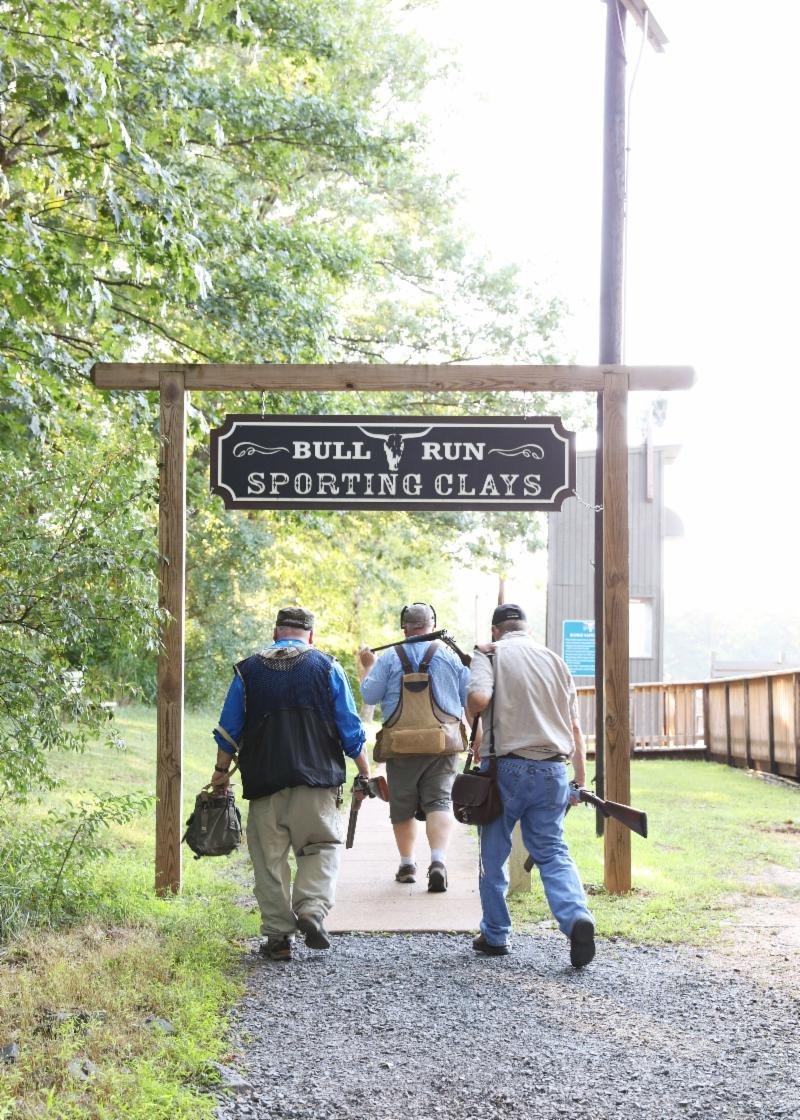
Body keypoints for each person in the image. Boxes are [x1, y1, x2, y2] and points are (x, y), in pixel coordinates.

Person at [210, 606, 369, 962]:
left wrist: (220, 774)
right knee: (321, 847)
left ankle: (279, 937)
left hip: (264, 783)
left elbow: (228, 729)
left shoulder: (247, 671)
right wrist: (364, 769)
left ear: (275, 633)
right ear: (310, 637)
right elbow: (350, 728)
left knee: (269, 860)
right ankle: (311, 909)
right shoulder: (327, 667)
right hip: (318, 783)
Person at [466, 603, 596, 967]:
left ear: (496, 631)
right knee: (553, 850)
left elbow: (478, 699)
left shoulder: (489, 653)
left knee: (493, 852)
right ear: (526, 628)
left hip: (505, 769)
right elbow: (574, 728)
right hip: (554, 770)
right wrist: (580, 781)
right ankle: (576, 919)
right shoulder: (555, 660)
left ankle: (495, 934)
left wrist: (471, 721)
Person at [358, 602, 469, 892]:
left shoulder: (388, 659)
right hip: (442, 744)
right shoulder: (449, 655)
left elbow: (370, 696)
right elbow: (469, 698)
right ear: (433, 624)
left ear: (404, 627)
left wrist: (367, 667)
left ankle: (407, 864)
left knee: (402, 807)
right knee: (440, 801)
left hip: (400, 746)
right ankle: (438, 861)